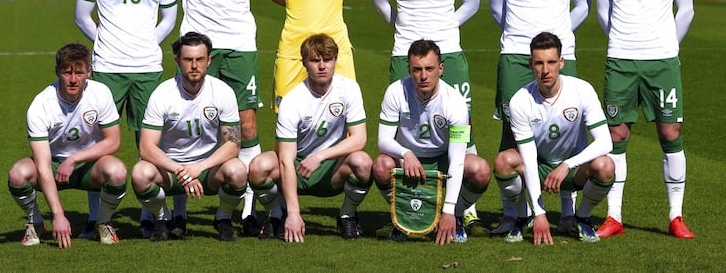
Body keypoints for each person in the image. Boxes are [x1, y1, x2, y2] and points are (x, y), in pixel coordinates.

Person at [371, 0, 484, 234]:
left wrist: (446, 25)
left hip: (449, 48)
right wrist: (401, 26)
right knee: (403, 133)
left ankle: (465, 209)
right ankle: (408, 211)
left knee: (463, 129)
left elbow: (472, 0)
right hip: (404, 50)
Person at [482, 0, 594, 235]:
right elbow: (496, 6)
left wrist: (556, 41)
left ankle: (567, 210)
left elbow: (583, 4)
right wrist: (521, 34)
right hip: (516, 53)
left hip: (563, 55)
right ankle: (514, 214)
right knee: (511, 131)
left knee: (569, 130)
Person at [593, 0, 696, 239]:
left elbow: (686, 9)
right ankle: (615, 216)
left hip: (662, 60)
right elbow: (602, 10)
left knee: (670, 132)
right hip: (621, 60)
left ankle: (676, 216)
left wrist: (668, 45)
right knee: (616, 134)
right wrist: (623, 41)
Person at [166, 0, 266, 236]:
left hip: (240, 43)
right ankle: (178, 210)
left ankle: (246, 210)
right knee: (182, 123)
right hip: (197, 45)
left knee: (246, 124)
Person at [74, 0, 180, 238]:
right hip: (107, 68)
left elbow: (169, 16)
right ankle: (95, 218)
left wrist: (152, 43)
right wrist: (103, 40)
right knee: (96, 141)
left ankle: (152, 215)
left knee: (150, 145)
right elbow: (81, 15)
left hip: (147, 68)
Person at [248, 33, 372, 242]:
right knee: (258, 166)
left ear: (336, 60)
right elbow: (286, 160)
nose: (322, 66)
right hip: (298, 166)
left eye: (328, 59)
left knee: (363, 161)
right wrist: (295, 214)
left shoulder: (349, 89)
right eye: (315, 60)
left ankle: (347, 215)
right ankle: (278, 213)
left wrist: (321, 156)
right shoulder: (292, 100)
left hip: (330, 169)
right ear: (304, 63)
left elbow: (359, 139)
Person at [493, 32, 614, 245]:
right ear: (531, 64)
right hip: (539, 168)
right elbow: (528, 159)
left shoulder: (582, 90)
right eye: (539, 63)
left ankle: (582, 217)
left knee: (605, 165)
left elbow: (606, 142)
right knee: (504, 161)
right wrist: (540, 213)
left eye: (551, 62)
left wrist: (567, 165)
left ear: (561, 62)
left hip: (574, 171)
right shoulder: (520, 101)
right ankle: (525, 216)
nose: (545, 70)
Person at [7, 43, 127, 248]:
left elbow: (113, 140)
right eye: (67, 72)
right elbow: (43, 164)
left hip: (88, 165)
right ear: (57, 72)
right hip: (52, 165)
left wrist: (74, 159)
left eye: (79, 72)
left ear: (89, 71)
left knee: (118, 172)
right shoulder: (41, 104)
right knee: (18, 174)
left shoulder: (101, 93)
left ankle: (103, 222)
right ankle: (36, 221)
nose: (73, 79)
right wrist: (58, 215)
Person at [131, 32, 248, 242]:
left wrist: (199, 168)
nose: (194, 65)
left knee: (238, 171)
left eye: (200, 59)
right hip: (170, 171)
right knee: (140, 174)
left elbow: (233, 144)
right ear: (177, 61)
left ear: (209, 61)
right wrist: (180, 170)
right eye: (188, 59)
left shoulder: (223, 92)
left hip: (206, 171)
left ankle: (223, 218)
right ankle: (164, 218)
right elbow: (146, 147)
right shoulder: (162, 93)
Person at [373, 39, 490, 244]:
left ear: (441, 69)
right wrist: (406, 154)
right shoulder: (395, 91)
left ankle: (457, 217)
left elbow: (457, 160)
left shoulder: (456, 103)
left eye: (429, 68)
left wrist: (449, 210)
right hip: (409, 160)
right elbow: (383, 140)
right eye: (417, 69)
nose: (423, 76)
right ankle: (402, 217)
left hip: (442, 159)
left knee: (480, 170)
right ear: (409, 69)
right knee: (381, 165)